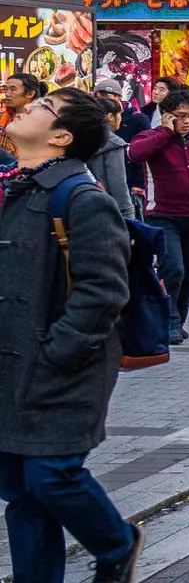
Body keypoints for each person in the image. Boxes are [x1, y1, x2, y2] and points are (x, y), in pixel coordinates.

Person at [0, 87, 146, 583]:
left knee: (51, 475)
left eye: (42, 108)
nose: (26, 108)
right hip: (13, 367)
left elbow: (104, 291)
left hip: (64, 367)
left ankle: (117, 543)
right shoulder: (17, 188)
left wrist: (57, 352)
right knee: (22, 489)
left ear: (61, 137)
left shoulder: (81, 198)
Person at [126, 86, 189, 343]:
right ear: (167, 115)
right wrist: (164, 132)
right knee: (173, 268)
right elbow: (134, 154)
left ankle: (177, 320)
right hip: (162, 215)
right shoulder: (152, 136)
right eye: (180, 116)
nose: (186, 121)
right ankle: (169, 320)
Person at [86, 95, 136, 220]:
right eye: (119, 114)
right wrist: (129, 215)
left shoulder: (80, 139)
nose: (121, 118)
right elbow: (118, 183)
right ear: (110, 117)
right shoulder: (114, 145)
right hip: (107, 208)